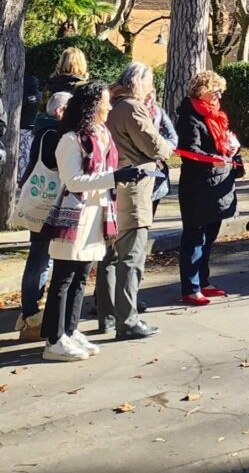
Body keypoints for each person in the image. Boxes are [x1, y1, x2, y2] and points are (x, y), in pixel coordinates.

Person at [39, 83, 147, 361]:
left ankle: (71, 331)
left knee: (80, 277)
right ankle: (54, 339)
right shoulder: (71, 139)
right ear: (92, 106)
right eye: (106, 103)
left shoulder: (102, 135)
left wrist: (122, 174)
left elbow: (104, 171)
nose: (109, 108)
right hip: (74, 216)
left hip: (97, 214)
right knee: (64, 277)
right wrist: (116, 177)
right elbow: (73, 180)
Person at [97, 63, 173, 337]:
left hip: (111, 188)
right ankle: (127, 320)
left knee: (109, 257)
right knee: (131, 258)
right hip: (133, 191)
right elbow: (155, 145)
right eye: (150, 82)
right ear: (137, 83)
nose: (152, 88)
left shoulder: (110, 106)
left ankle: (107, 316)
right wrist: (168, 148)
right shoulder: (132, 108)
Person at [175, 70, 242, 304]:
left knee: (209, 237)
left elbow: (224, 141)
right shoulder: (189, 117)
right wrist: (211, 158)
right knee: (194, 237)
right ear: (202, 91)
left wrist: (232, 151)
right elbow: (189, 150)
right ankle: (190, 287)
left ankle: (203, 281)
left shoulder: (217, 116)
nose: (219, 97)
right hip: (198, 186)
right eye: (215, 92)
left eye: (220, 93)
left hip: (218, 183)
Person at [15, 92, 71, 342]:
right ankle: (31, 314)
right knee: (40, 259)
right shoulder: (53, 134)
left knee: (40, 257)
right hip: (46, 205)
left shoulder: (42, 129)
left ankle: (29, 313)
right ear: (60, 112)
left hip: (38, 202)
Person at [147, 90, 178, 216]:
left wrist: (161, 151)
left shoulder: (158, 112)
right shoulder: (128, 111)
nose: (149, 97)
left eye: (152, 93)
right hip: (136, 168)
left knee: (149, 215)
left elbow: (173, 138)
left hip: (157, 169)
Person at [17, 74, 42, 182]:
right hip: (35, 128)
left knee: (22, 153)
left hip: (23, 127)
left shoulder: (22, 98)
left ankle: (21, 176)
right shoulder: (39, 96)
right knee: (30, 153)